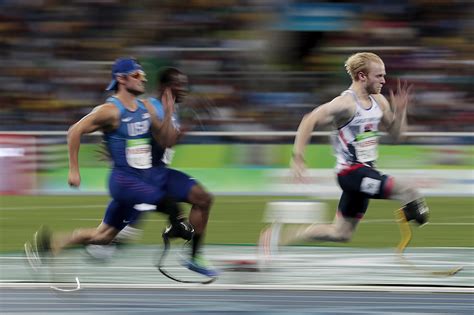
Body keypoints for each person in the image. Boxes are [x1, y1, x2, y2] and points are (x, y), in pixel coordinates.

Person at [25, 57, 194, 269]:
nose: (143, 79)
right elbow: (74, 131)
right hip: (124, 182)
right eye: (137, 75)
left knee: (103, 236)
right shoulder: (110, 110)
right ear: (121, 79)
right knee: (169, 204)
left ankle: (49, 245)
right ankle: (177, 225)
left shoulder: (145, 108)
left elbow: (164, 141)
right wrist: (74, 170)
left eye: (143, 75)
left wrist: (169, 113)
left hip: (141, 181)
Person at [260, 52, 429, 249]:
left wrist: (400, 112)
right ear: (362, 76)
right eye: (379, 76)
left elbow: (398, 136)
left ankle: (278, 237)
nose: (384, 80)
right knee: (409, 191)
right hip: (351, 174)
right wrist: (297, 157)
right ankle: (412, 208)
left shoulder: (379, 102)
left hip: (366, 172)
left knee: (341, 233)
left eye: (384, 75)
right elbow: (309, 119)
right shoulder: (345, 104)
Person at [85, 67, 218, 277]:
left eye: (185, 84)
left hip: (161, 174)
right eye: (179, 84)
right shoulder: (152, 107)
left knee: (203, 198)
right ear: (166, 87)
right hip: (144, 177)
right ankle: (72, 244)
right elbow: (163, 140)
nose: (184, 89)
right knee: (113, 236)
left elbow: (167, 140)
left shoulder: (171, 108)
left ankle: (193, 257)